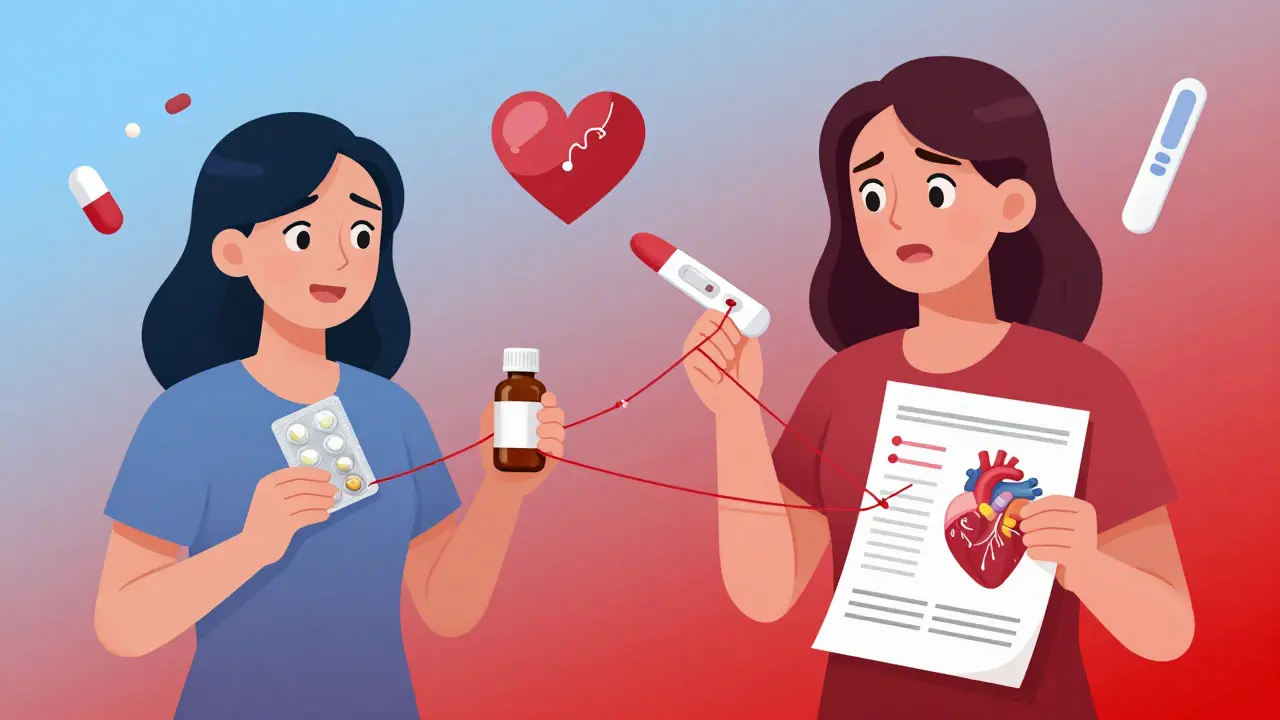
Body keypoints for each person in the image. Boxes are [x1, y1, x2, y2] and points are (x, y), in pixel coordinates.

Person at [680, 57, 1193, 718]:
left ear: (1011, 204)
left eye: (936, 190)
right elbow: (765, 593)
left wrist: (1087, 564)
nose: (895, 221)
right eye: (872, 196)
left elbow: (1169, 633)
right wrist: (733, 413)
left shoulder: (1086, 383)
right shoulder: (844, 383)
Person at [93, 112, 566, 719]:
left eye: (363, 235)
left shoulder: (393, 412)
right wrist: (253, 546)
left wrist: (504, 491)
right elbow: (122, 626)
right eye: (303, 235)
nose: (342, 261)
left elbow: (446, 610)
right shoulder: (183, 418)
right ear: (234, 251)